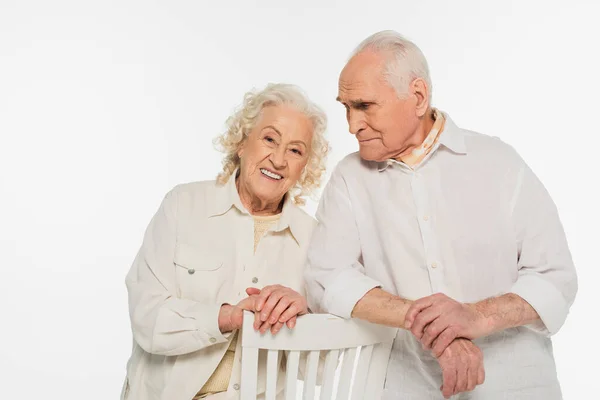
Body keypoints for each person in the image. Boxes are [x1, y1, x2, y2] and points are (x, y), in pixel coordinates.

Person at [304, 30, 577, 399]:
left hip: (516, 387)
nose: (352, 125)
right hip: (405, 388)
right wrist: (430, 324)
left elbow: (554, 279)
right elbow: (327, 279)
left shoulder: (499, 162)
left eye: (365, 106)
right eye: (346, 108)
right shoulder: (349, 178)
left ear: (417, 97)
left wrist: (476, 317)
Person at [121, 83, 329, 400]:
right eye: (270, 139)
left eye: (295, 150)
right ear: (242, 143)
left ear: (305, 167)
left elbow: (316, 373)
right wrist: (229, 317)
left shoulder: (315, 240)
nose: (278, 159)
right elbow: (146, 316)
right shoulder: (183, 205)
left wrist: (305, 318)